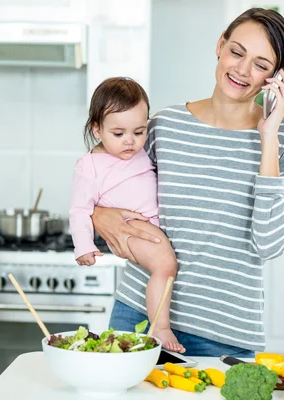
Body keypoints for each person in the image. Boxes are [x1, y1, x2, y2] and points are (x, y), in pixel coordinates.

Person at [91, 8, 284, 357]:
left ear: (276, 78)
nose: (241, 69)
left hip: (224, 332)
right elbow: (101, 191)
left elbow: (269, 244)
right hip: (140, 315)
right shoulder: (164, 125)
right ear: (220, 45)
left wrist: (268, 135)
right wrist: (98, 215)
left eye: (261, 64)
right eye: (237, 52)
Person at [69, 77, 184, 352]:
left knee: (165, 266)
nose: (130, 142)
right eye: (118, 134)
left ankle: (159, 323)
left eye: (139, 132)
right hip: (130, 227)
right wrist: (83, 246)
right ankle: (160, 326)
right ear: (97, 129)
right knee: (165, 266)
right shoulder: (90, 166)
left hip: (149, 223)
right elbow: (80, 209)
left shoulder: (140, 150)